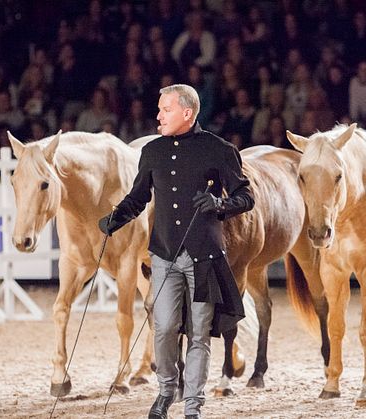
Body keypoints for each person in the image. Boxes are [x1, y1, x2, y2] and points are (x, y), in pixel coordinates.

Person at [98, 84, 254, 419]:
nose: (158, 115)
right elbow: (138, 197)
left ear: (187, 112)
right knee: (165, 327)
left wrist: (220, 204)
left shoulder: (219, 149)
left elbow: (246, 196)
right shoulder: (152, 152)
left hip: (205, 258)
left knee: (199, 333)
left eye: (165, 109)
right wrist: (115, 218)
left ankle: (193, 404)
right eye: (158, 109)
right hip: (164, 255)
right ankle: (167, 389)